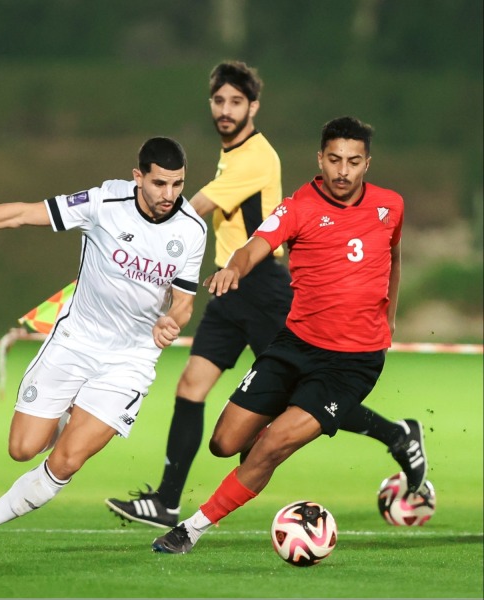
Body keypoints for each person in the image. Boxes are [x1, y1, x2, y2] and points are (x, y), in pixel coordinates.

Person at [106, 62, 427, 529]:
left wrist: (133, 239)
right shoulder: (232, 157)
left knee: (302, 398)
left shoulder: (256, 157)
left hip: (262, 288)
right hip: (230, 284)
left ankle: (394, 435)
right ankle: (168, 499)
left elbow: (194, 213)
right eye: (219, 101)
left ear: (253, 106)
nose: (226, 110)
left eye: (236, 101)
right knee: (193, 388)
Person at [0, 137, 208, 556]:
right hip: (74, 341)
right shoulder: (104, 201)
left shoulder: (191, 228)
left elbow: (184, 302)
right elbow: (22, 214)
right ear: (138, 176)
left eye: (178, 185)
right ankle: (73, 410)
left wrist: (171, 322)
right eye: (160, 184)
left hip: (131, 359)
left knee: (66, 461)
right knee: (23, 448)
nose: (169, 195)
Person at [152, 116, 407, 554]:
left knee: (270, 446)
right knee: (224, 443)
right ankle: (278, 429)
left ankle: (190, 529)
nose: (343, 171)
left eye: (353, 161)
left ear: (367, 163)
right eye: (334, 160)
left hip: (351, 364)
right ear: (319, 160)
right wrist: (234, 267)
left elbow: (394, 257)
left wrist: (391, 316)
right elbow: (257, 244)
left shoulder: (391, 206)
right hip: (294, 346)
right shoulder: (299, 206)